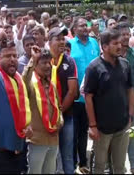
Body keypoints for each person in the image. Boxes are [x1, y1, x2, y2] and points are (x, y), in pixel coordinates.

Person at [0, 28, 32, 173]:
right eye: (7, 56)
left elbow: (23, 110)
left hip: (19, 148)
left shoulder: (18, 79)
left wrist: (28, 126)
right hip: (1, 153)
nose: (12, 59)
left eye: (15, 55)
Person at [84, 29, 134, 174]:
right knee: (99, 165)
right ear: (104, 47)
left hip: (122, 125)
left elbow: (130, 89)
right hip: (102, 128)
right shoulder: (94, 68)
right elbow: (88, 97)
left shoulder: (125, 64)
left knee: (119, 166)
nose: (119, 46)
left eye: (120, 42)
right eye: (115, 43)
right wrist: (93, 125)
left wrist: (130, 115)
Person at [22, 46, 63, 174]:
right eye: (43, 62)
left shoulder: (52, 86)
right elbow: (24, 79)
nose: (47, 66)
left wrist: (60, 120)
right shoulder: (30, 84)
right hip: (37, 140)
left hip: (53, 139)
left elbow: (58, 107)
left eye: (49, 62)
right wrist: (32, 60)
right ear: (36, 65)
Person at [69, 17, 100, 173]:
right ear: (74, 29)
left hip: (92, 98)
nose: (85, 28)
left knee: (84, 132)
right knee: (73, 133)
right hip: (75, 98)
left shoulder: (95, 44)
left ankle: (83, 162)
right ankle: (72, 162)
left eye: (86, 25)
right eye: (81, 26)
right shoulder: (70, 45)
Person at [48, 27, 78, 174]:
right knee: (51, 156)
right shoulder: (42, 60)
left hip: (66, 116)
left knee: (67, 155)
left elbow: (72, 91)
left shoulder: (69, 61)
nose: (62, 42)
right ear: (49, 41)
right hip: (45, 118)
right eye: (58, 38)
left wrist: (59, 113)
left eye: (63, 39)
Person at [116, 22, 134, 174]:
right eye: (123, 34)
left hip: (133, 100)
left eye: (128, 34)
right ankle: (112, 166)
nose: (126, 37)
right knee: (115, 134)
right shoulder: (113, 54)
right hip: (115, 102)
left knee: (132, 132)